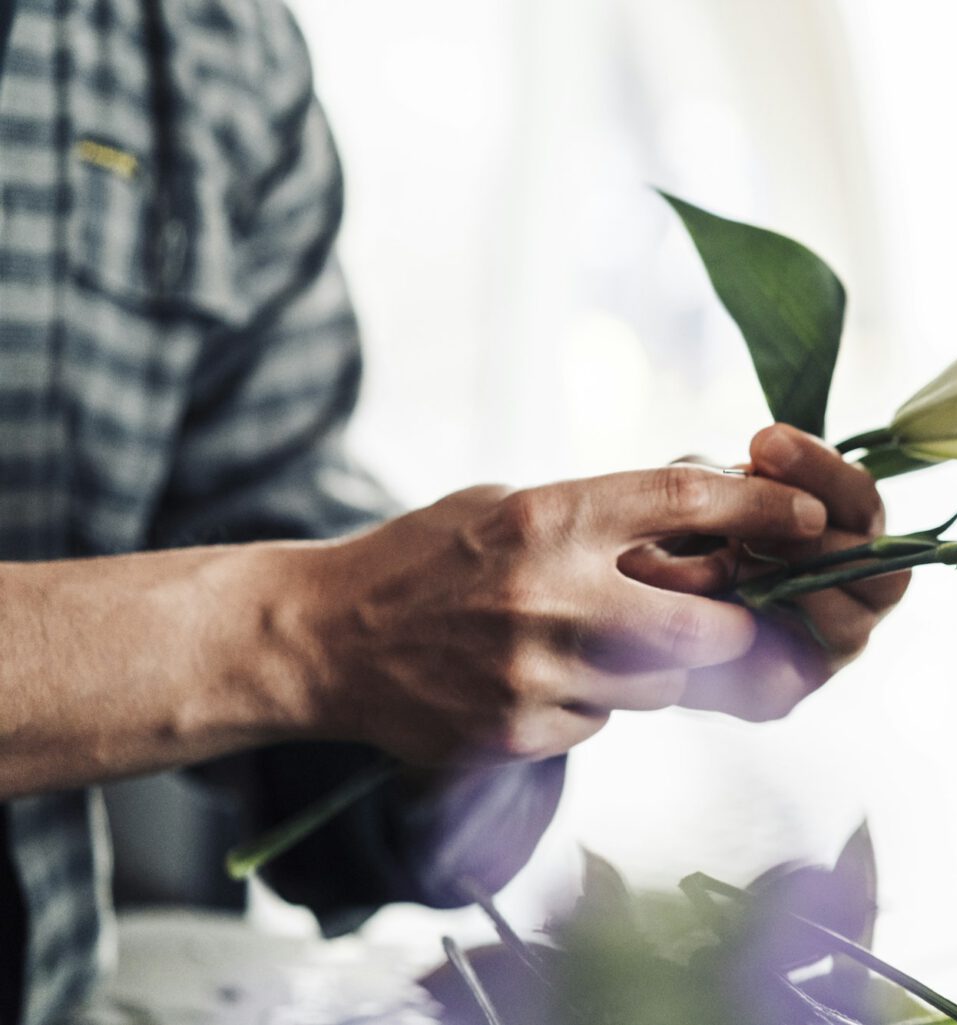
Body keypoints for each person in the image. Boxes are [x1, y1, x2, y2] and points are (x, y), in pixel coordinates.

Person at [0, 0, 907, 1022]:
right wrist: (318, 631)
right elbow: (302, 616)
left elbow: (270, 548)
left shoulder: (210, 49)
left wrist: (577, 630)